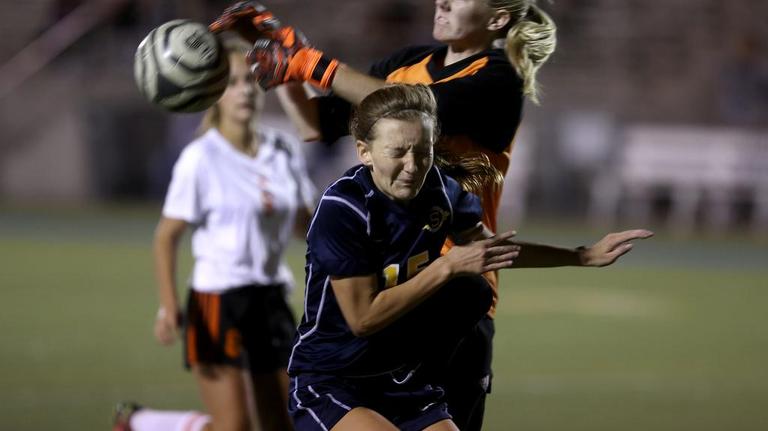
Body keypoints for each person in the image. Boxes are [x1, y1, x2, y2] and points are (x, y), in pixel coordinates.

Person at [207, 2, 649, 430]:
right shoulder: (405, 67)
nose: (442, 0)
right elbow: (316, 124)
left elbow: (417, 105)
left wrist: (308, 62)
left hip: (451, 308)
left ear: (496, 17)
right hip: (382, 298)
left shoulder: (498, 81)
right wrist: (286, 55)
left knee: (468, 300)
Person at [285, 83, 651, 431]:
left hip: (397, 378)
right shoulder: (344, 208)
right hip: (332, 378)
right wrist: (446, 265)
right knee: (461, 284)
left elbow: (488, 250)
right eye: (397, 152)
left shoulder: (440, 191)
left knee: (472, 291)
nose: (413, 165)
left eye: (423, 151)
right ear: (365, 151)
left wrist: (581, 256)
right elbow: (363, 318)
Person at [113, 35, 316, 431]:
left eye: (252, 80)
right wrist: (169, 305)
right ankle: (143, 423)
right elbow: (166, 236)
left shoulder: (284, 148)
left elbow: (305, 225)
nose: (245, 91)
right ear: (214, 91)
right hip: (216, 303)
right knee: (233, 426)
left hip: (272, 300)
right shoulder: (201, 157)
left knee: (286, 423)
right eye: (233, 82)